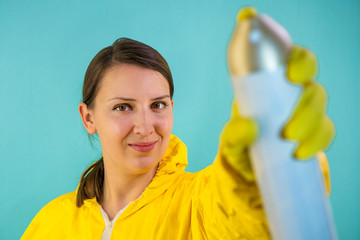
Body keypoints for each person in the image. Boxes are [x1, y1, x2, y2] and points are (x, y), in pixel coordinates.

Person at [21, 35, 334, 239]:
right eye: (123, 107)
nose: (145, 126)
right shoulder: (49, 223)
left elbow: (242, 217)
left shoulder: (200, 205)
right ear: (89, 118)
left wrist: (263, 167)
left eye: (158, 105)